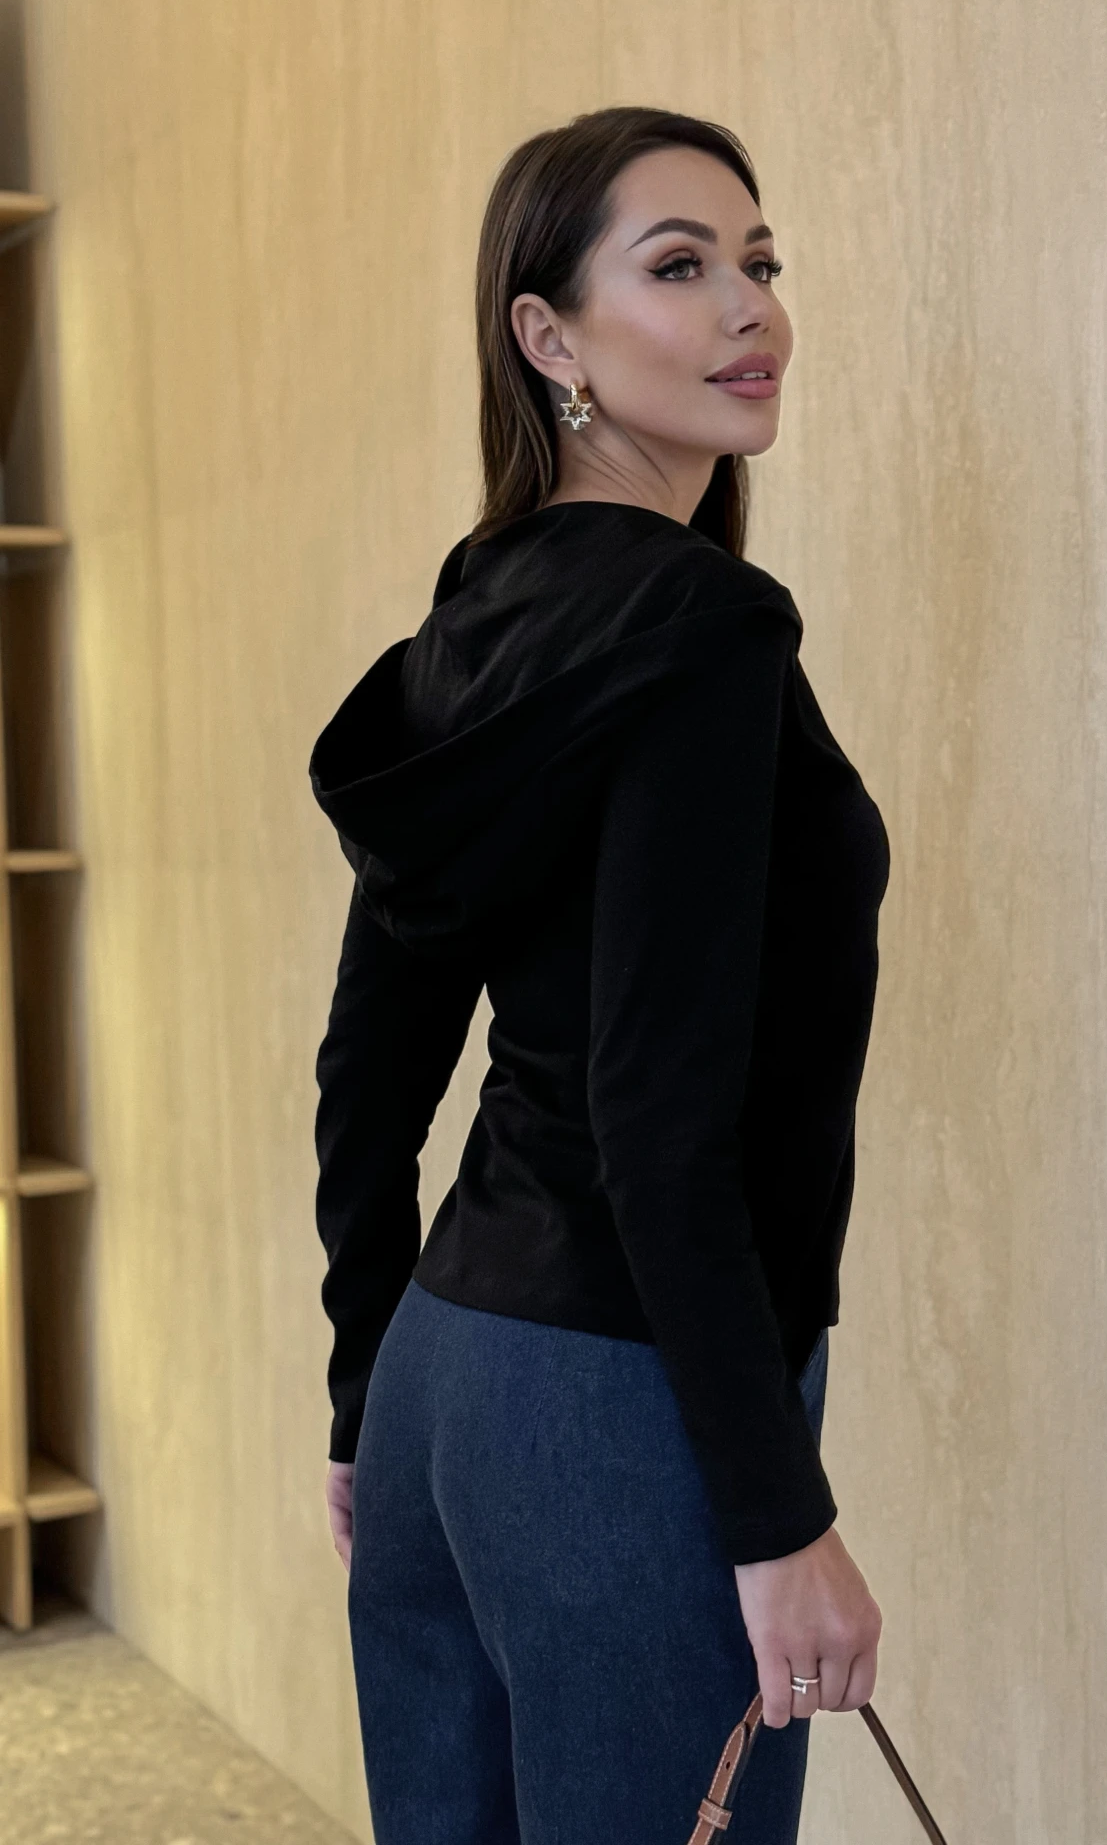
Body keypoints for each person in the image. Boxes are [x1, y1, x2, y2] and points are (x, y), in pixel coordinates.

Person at [309, 105, 890, 1845]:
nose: (750, 307)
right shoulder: (704, 629)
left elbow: (371, 1057)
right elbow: (655, 1110)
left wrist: (363, 1386)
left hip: (446, 1386)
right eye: (680, 266)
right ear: (548, 339)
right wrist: (776, 1517)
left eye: (759, 262)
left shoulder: (476, 616)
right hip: (623, 1413)